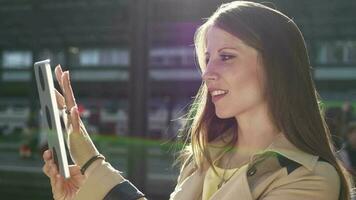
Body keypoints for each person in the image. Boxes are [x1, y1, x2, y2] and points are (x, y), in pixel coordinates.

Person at [42, 1, 355, 200]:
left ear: (277, 65)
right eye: (208, 59)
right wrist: (84, 194)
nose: (208, 74)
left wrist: (93, 162)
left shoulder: (311, 180)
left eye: (226, 57)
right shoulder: (204, 159)